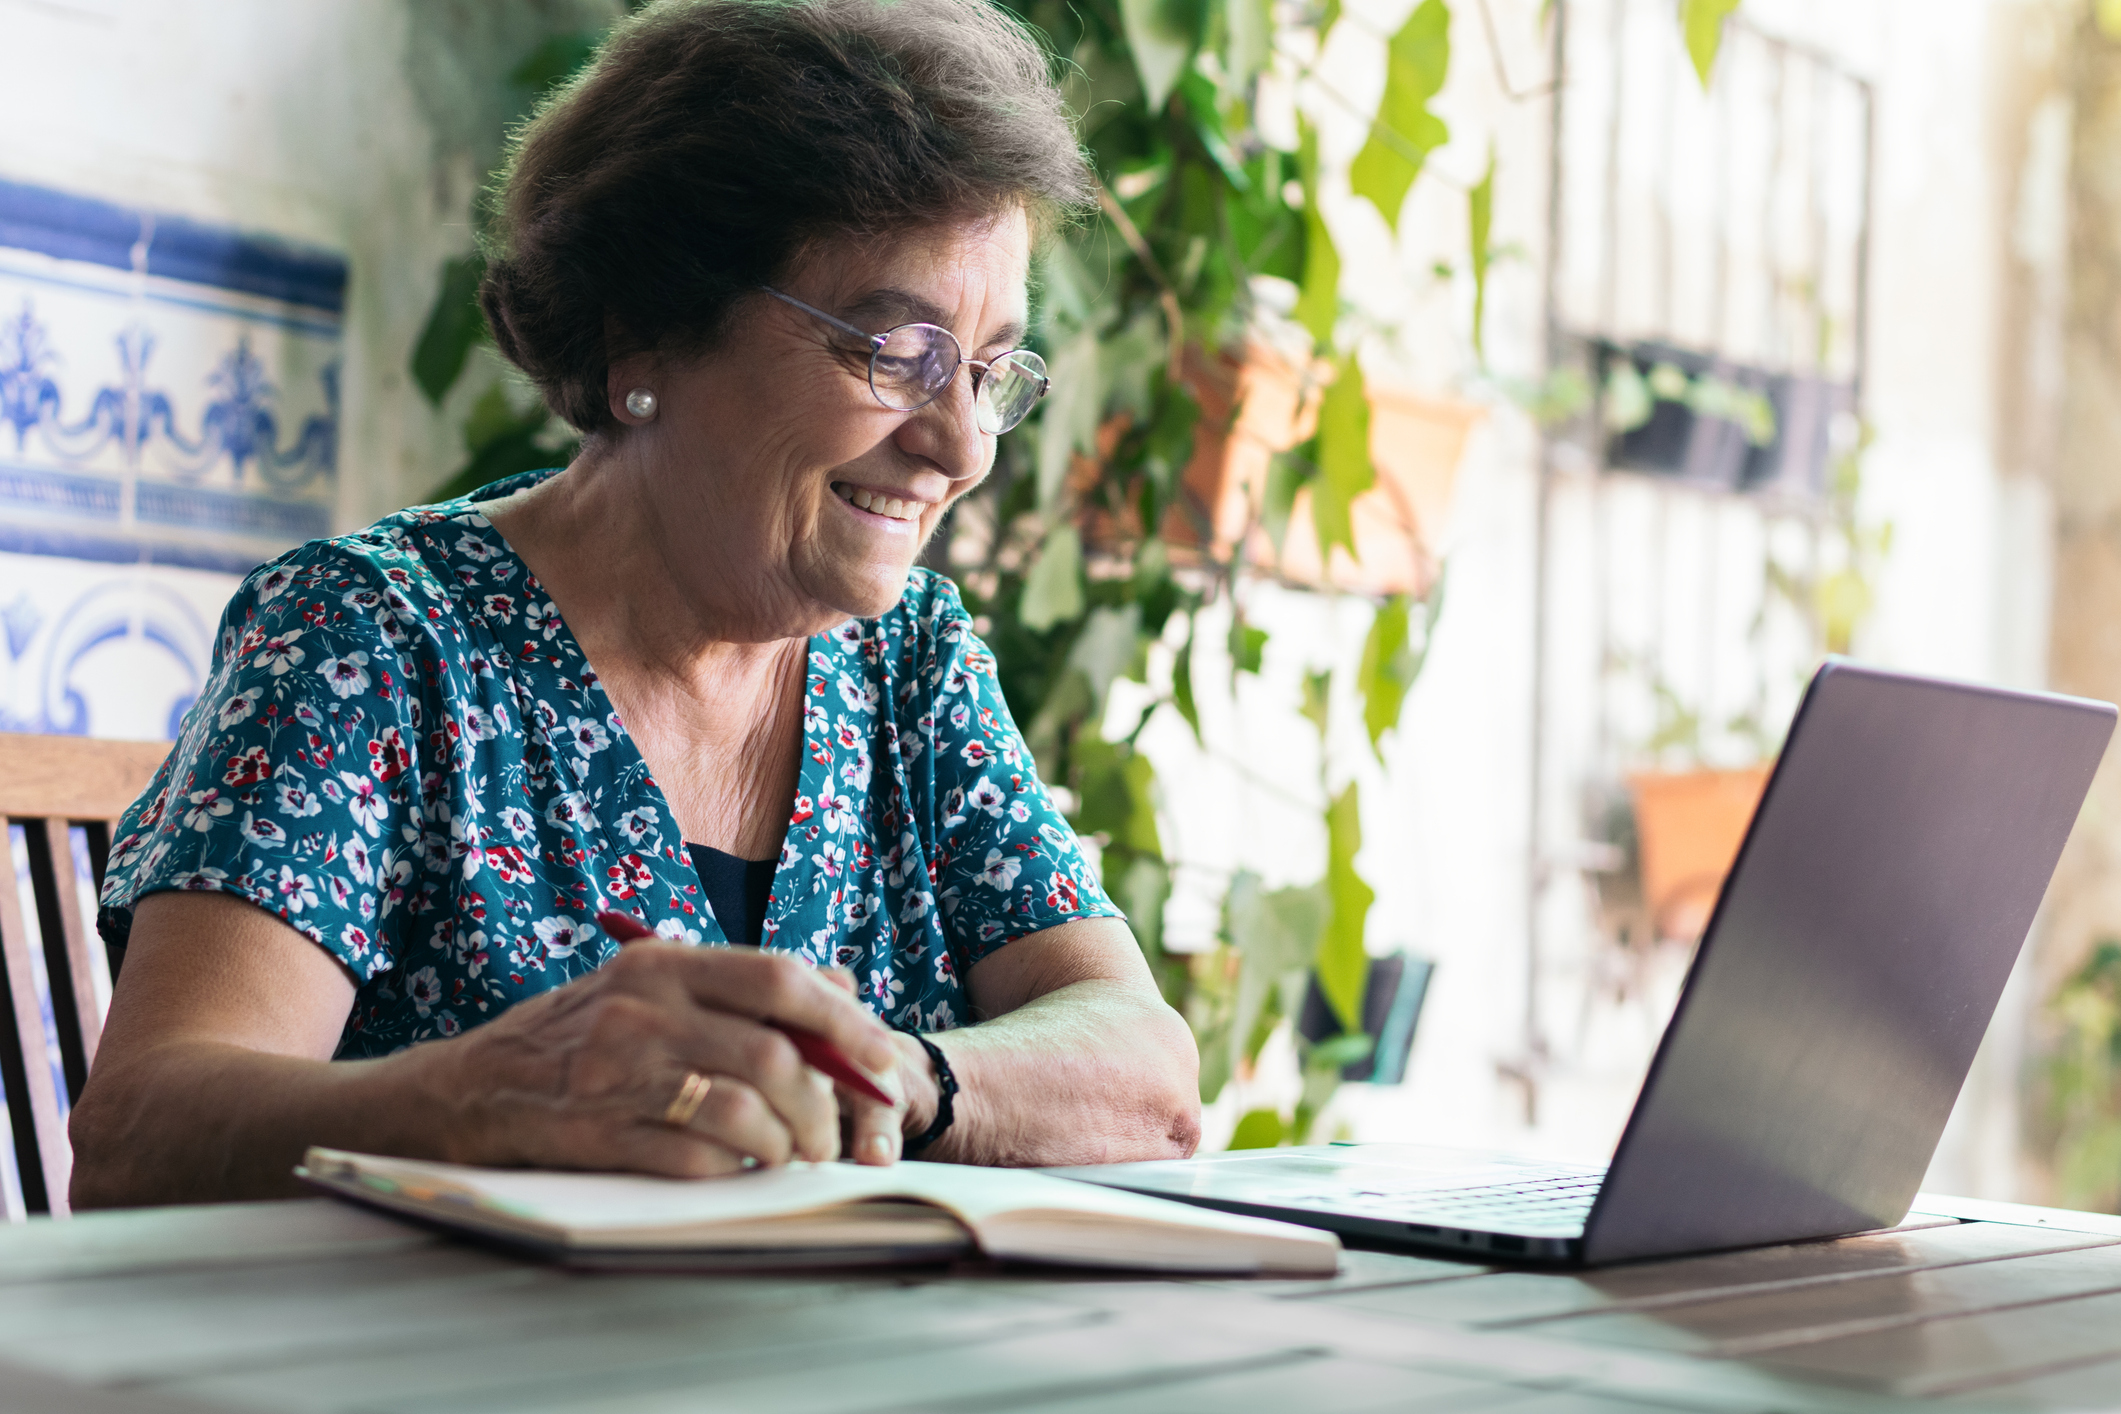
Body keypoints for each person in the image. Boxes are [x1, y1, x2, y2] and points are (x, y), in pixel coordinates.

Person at [68, 0, 1201, 1207]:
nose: (959, 443)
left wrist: (889, 1083)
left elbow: (1143, 1073)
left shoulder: (908, 661)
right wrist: (489, 1097)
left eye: (986, 371)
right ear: (645, 332)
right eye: (895, 352)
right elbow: (142, 1135)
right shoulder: (373, 639)